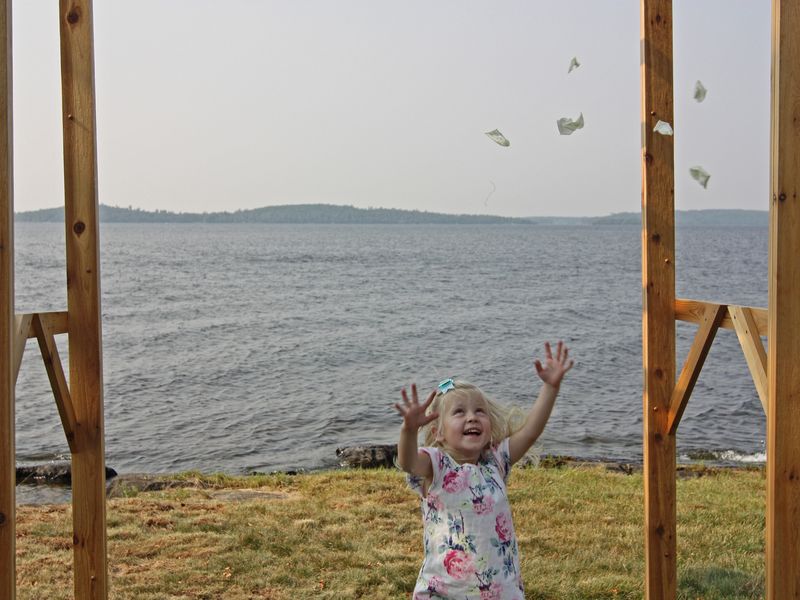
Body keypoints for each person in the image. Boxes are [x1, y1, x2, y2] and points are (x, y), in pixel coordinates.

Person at [394, 341, 573, 599]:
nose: (472, 417)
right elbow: (408, 461)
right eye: (459, 412)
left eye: (480, 411)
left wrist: (550, 387)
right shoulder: (436, 465)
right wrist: (408, 430)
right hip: (445, 592)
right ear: (439, 433)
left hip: (499, 591)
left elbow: (531, 430)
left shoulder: (496, 462)